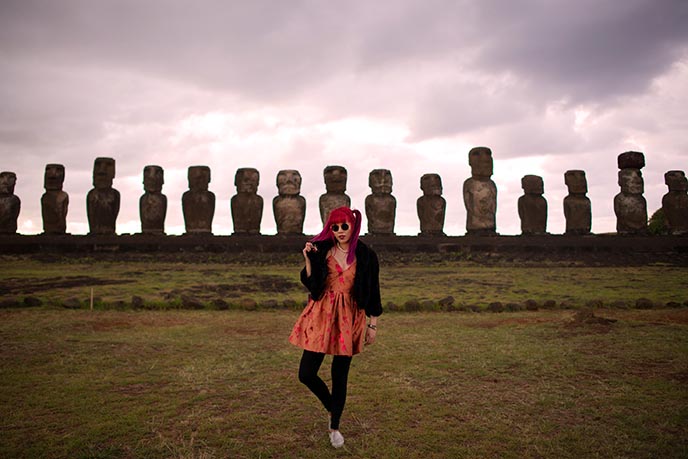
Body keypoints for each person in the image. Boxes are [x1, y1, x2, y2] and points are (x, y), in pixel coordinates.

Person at [289, 206, 383, 449]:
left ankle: (335, 426)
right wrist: (308, 259)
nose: (340, 231)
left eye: (344, 226)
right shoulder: (322, 251)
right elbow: (311, 284)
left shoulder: (366, 255)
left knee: (339, 375)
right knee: (306, 373)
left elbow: (373, 291)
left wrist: (373, 324)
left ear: (353, 226)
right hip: (321, 314)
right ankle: (333, 407)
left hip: (349, 316)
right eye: (335, 227)